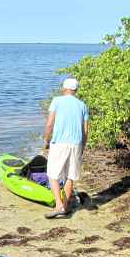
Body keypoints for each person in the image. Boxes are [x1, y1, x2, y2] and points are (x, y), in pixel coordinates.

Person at [42, 77, 88, 218]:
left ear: (64, 88)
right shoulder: (82, 105)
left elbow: (50, 124)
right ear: (76, 90)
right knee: (70, 176)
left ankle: (59, 206)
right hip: (76, 144)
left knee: (52, 174)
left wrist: (45, 140)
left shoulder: (57, 101)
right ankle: (66, 206)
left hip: (60, 143)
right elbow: (85, 130)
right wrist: (82, 146)